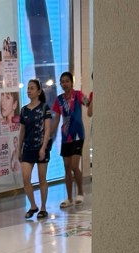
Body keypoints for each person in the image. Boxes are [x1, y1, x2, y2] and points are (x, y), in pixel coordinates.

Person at [18, 79, 53, 219]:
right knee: (25, 178)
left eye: (32, 88)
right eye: (28, 88)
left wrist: (43, 148)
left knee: (42, 179)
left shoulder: (45, 108)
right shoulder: (24, 110)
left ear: (38, 91)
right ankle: (33, 206)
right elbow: (22, 131)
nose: (29, 91)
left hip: (41, 147)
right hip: (28, 147)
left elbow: (47, 130)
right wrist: (19, 149)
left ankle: (43, 208)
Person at [52, 71, 87, 207]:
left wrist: (89, 100)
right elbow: (56, 119)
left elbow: (87, 102)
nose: (65, 83)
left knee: (74, 165)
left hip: (78, 135)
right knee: (67, 168)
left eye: (67, 81)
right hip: (65, 137)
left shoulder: (78, 95)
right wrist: (50, 134)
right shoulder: (59, 100)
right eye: (62, 81)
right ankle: (69, 198)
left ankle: (81, 192)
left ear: (72, 83)